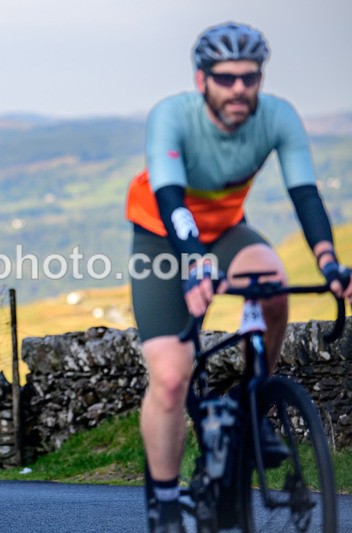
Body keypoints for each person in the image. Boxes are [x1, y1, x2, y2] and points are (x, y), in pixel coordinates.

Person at [125, 22, 352, 532]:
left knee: (272, 282)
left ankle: (249, 408)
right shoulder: (172, 115)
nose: (239, 89)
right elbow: (170, 197)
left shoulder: (278, 117)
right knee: (171, 376)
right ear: (201, 79)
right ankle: (166, 504)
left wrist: (329, 264)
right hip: (161, 236)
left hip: (227, 228)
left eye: (250, 77)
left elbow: (305, 194)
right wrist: (194, 262)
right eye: (226, 78)